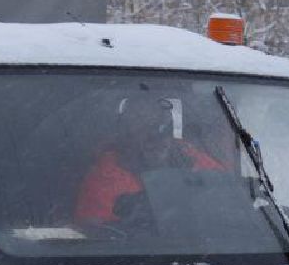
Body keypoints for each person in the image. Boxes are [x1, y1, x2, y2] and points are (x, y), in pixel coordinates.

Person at [74, 94, 225, 224]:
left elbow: (226, 197)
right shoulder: (104, 178)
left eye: (158, 125)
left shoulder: (192, 158)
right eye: (142, 125)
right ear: (125, 132)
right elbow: (97, 237)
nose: (152, 134)